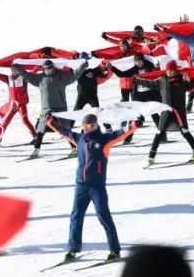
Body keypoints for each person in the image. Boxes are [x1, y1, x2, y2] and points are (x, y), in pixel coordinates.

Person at [50, 113, 135, 264]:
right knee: (76, 217)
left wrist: (134, 125)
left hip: (97, 186)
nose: (87, 128)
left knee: (104, 216)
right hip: (81, 185)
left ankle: (115, 250)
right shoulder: (80, 139)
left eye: (89, 126)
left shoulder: (104, 140)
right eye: (84, 126)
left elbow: (120, 133)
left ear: (96, 125)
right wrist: (50, 121)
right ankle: (73, 249)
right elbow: (64, 132)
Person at [14, 59, 86, 159]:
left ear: (53, 67)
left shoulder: (61, 77)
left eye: (49, 68)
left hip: (61, 108)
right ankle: (36, 150)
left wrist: (82, 67)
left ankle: (74, 148)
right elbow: (27, 75)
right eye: (45, 69)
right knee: (40, 129)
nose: (47, 70)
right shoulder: (40, 78)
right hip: (46, 109)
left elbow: (74, 75)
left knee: (66, 129)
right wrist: (18, 67)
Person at [137, 60, 194, 166]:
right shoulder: (163, 79)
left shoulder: (182, 79)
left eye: (172, 71)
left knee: (185, 132)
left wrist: (191, 80)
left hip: (179, 112)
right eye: (168, 71)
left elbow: (193, 87)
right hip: (166, 111)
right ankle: (151, 156)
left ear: (175, 70)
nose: (170, 73)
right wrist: (138, 80)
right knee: (159, 132)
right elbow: (151, 84)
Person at [0, 63, 36, 147]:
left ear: (19, 70)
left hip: (21, 104)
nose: (14, 72)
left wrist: (39, 65)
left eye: (16, 70)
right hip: (12, 105)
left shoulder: (24, 78)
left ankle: (35, 136)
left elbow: (32, 73)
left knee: (25, 120)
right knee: (5, 122)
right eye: (12, 70)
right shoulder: (9, 79)